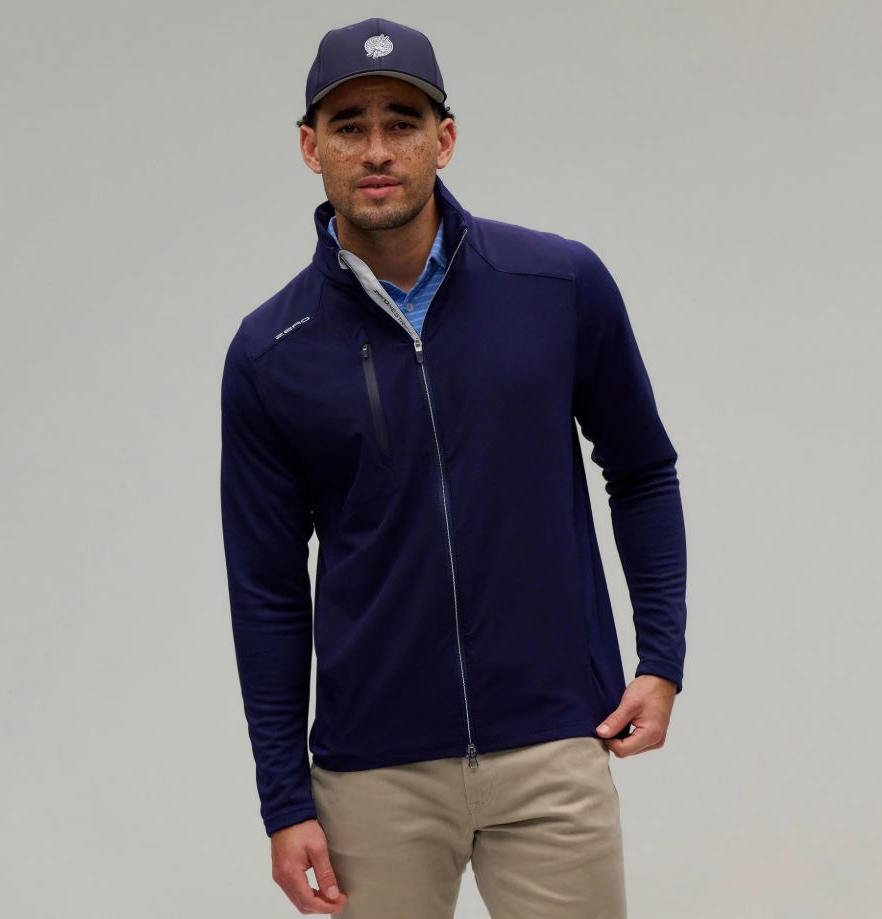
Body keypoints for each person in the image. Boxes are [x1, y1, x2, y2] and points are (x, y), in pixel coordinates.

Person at [219, 16, 687, 918]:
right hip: (373, 777)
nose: (377, 149)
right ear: (311, 148)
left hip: (553, 744)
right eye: (350, 125)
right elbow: (267, 588)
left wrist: (661, 658)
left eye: (402, 121)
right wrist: (283, 797)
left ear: (446, 138)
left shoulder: (558, 286)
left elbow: (642, 469)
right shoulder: (271, 353)